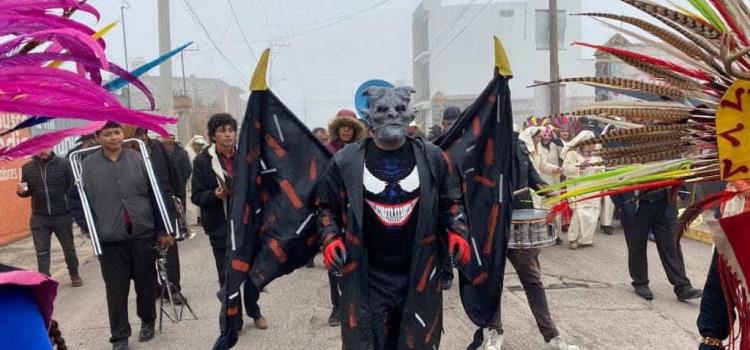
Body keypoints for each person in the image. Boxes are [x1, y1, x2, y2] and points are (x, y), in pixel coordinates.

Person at [317, 85, 471, 349]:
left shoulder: (433, 157)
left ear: (409, 113)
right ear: (368, 115)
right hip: (367, 273)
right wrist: (331, 237)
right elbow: (325, 206)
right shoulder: (346, 161)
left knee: (416, 340)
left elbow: (452, 200)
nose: (391, 115)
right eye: (382, 109)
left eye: (399, 109)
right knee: (370, 340)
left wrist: (458, 230)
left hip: (419, 269)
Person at [70, 121, 174, 350]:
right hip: (109, 239)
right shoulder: (86, 166)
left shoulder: (139, 159)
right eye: (107, 134)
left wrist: (163, 229)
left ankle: (148, 321)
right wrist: (89, 226)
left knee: (146, 283)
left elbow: (157, 195)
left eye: (116, 132)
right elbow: (75, 200)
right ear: (98, 137)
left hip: (142, 233)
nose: (114, 137)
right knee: (116, 290)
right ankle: (119, 336)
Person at [485, 132, 579, 350]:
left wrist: (550, 194)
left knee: (533, 279)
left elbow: (532, 176)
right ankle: (493, 331)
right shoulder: (482, 144)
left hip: (521, 221)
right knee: (491, 282)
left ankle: (551, 336)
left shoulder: (518, 145)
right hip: (492, 224)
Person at [191, 113, 268, 330]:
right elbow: (196, 196)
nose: (227, 134)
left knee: (251, 272)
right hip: (220, 227)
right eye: (222, 130)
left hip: (248, 224)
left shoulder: (247, 156)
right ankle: (234, 319)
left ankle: (254, 311)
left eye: (230, 130)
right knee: (227, 275)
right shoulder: (203, 161)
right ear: (213, 135)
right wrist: (215, 195)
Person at [612, 183, 703, 301]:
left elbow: (678, 167)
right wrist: (621, 204)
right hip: (637, 204)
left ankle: (682, 286)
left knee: (671, 245)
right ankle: (641, 282)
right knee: (636, 245)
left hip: (665, 203)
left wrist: (680, 190)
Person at [321, 108, 366, 326]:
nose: (346, 130)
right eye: (342, 126)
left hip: (358, 214)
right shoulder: (325, 151)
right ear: (337, 128)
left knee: (360, 261)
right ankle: (337, 307)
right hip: (334, 212)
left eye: (350, 126)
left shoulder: (362, 151)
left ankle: (359, 304)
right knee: (335, 261)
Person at [133, 127, 185, 303]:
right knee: (145, 251)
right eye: (138, 135)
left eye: (144, 134)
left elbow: (173, 173)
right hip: (141, 209)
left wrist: (179, 200)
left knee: (169, 248)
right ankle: (154, 287)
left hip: (164, 205)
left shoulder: (158, 147)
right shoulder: (127, 152)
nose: (143, 138)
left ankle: (173, 287)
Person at [16, 149, 82, 287]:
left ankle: (74, 274)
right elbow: (26, 191)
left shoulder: (64, 164)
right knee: (42, 251)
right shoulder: (27, 168)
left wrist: (73, 209)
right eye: (38, 148)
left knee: (68, 247)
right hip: (39, 217)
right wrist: (21, 192)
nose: (42, 151)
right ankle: (45, 279)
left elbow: (73, 188)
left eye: (45, 147)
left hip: (62, 215)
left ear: (51, 146)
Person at [561, 131, 604, 249]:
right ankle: (573, 239)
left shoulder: (596, 155)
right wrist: (580, 166)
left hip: (594, 188)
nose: (593, 145)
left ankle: (586, 239)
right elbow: (565, 169)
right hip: (578, 188)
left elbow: (602, 169)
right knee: (579, 214)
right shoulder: (572, 154)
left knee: (593, 215)